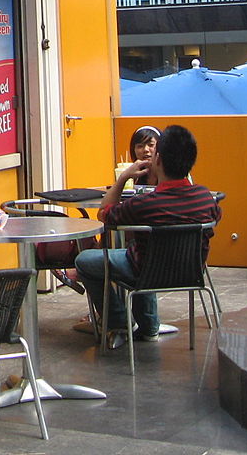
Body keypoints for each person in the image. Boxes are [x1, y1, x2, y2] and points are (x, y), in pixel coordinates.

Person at [74, 125, 221, 343]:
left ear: (158, 160)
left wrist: (123, 177)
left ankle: (118, 324)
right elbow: (215, 216)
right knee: (141, 254)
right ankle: (149, 327)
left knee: (86, 260)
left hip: (145, 272)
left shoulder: (144, 204)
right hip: (191, 273)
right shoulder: (205, 198)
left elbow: (104, 214)